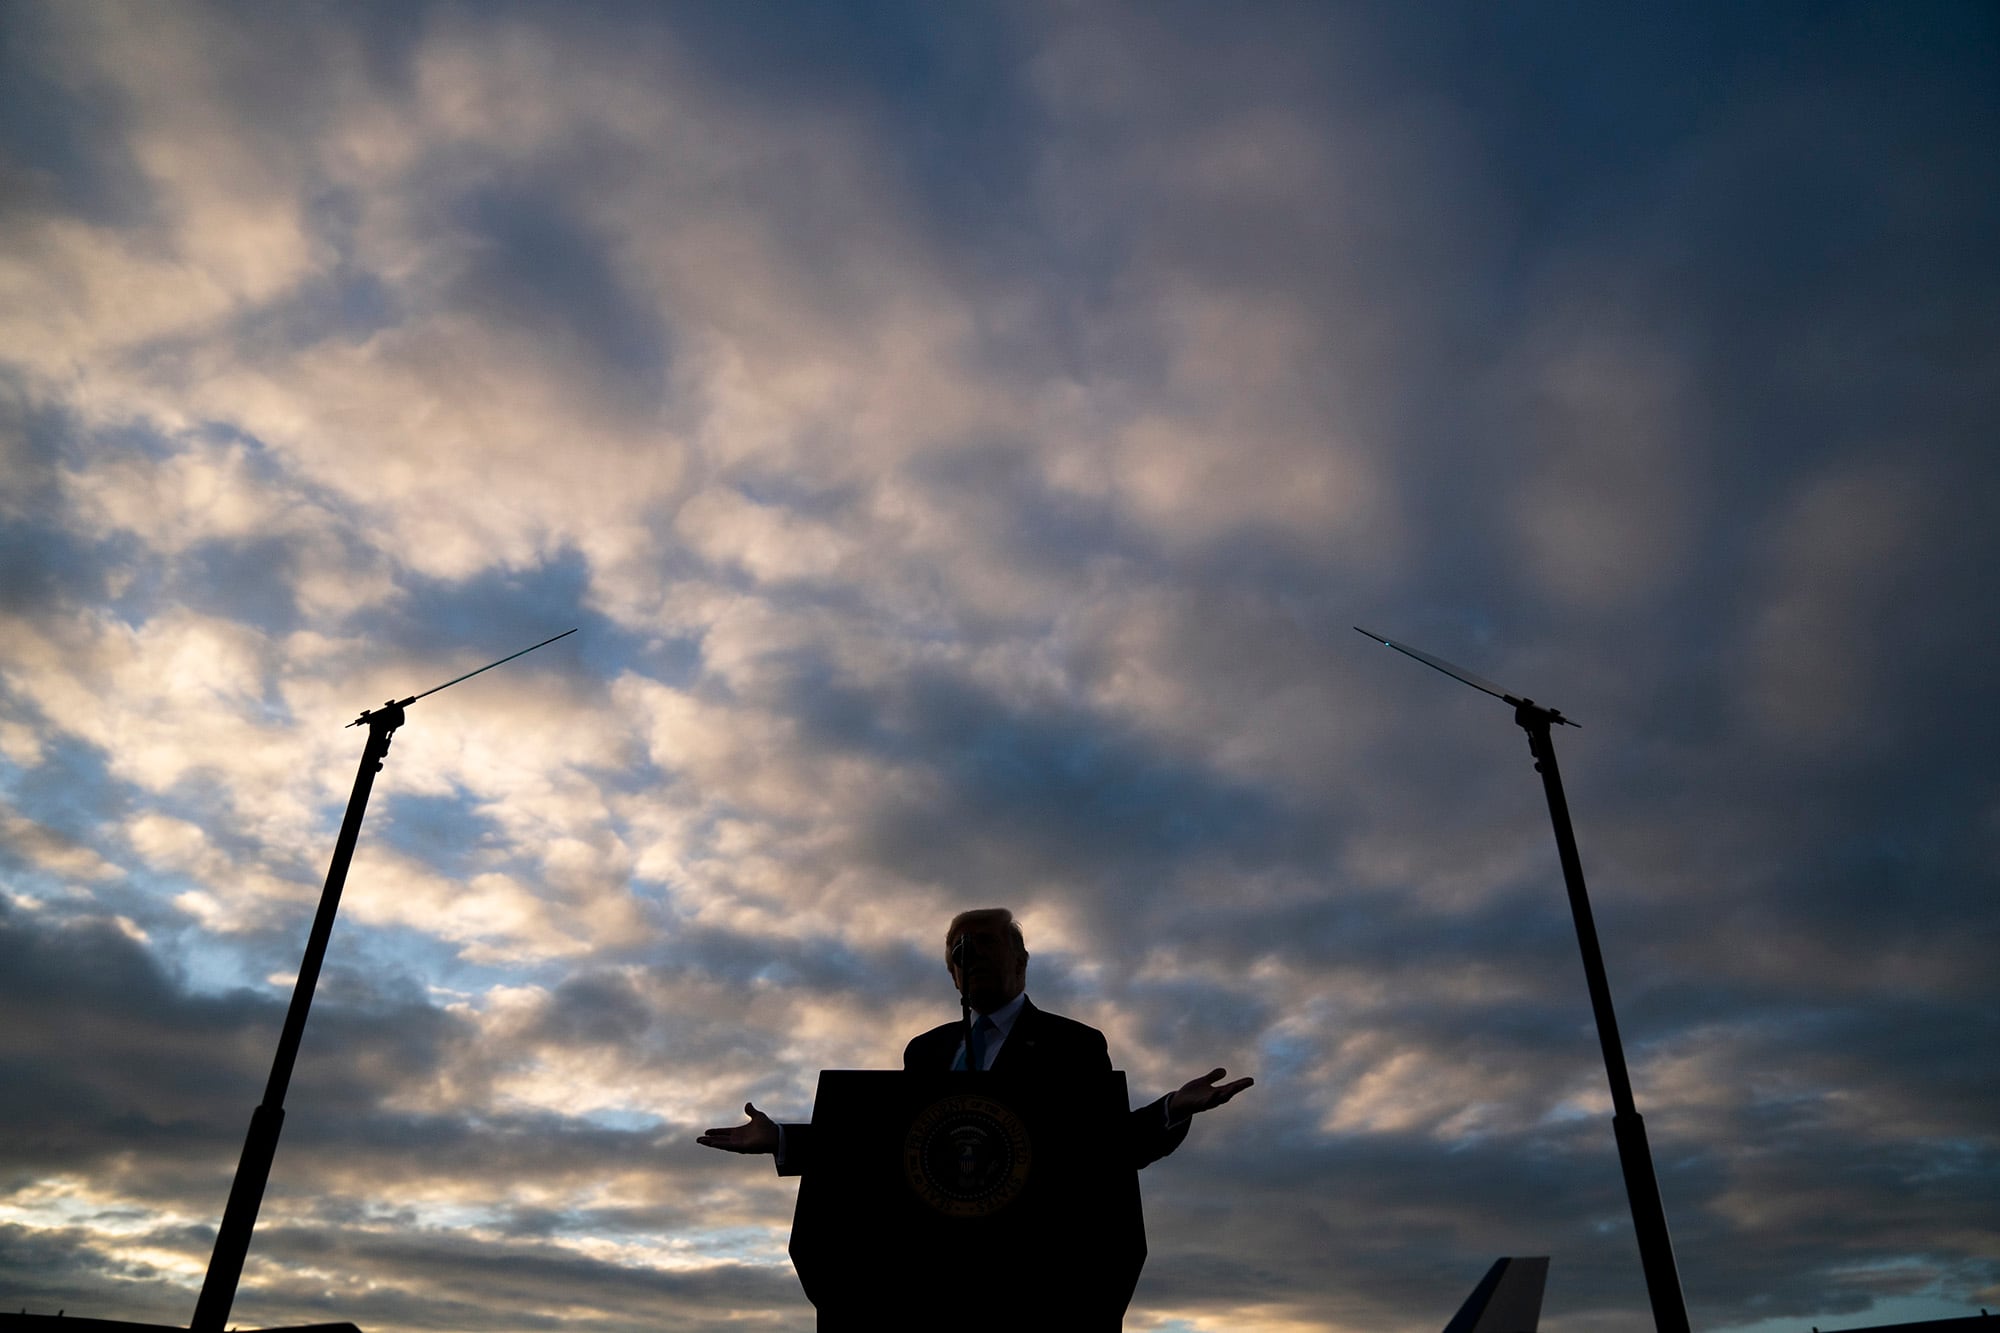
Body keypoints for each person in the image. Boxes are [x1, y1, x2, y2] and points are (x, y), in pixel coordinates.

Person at [698, 907, 1253, 1173]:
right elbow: (895, 1144)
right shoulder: (926, 1051)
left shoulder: (1073, 1044)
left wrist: (1170, 1110)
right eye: (958, 951)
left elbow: (1099, 1144)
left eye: (984, 945)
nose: (970, 957)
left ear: (1021, 962)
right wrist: (784, 1141)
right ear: (952, 974)